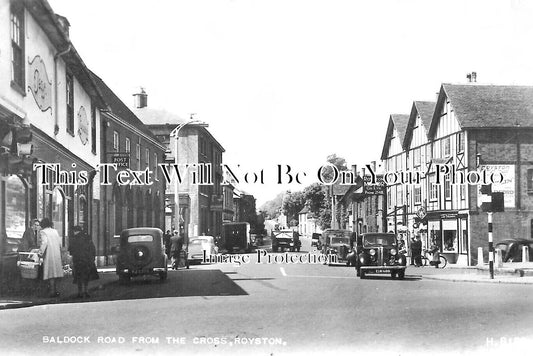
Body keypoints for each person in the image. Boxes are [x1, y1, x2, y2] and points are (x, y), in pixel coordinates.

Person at [69, 226, 98, 298]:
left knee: (78, 277)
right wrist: (92, 258)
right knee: (86, 276)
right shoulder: (87, 237)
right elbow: (93, 249)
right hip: (87, 260)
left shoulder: (74, 239)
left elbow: (71, 251)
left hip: (78, 260)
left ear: (75, 231)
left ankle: (80, 292)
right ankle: (86, 291)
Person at [38, 218, 64, 298]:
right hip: (56, 254)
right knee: (55, 273)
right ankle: (55, 290)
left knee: (50, 274)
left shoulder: (43, 232)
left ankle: (52, 292)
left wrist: (40, 252)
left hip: (49, 254)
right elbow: (60, 243)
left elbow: (44, 243)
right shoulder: (55, 231)